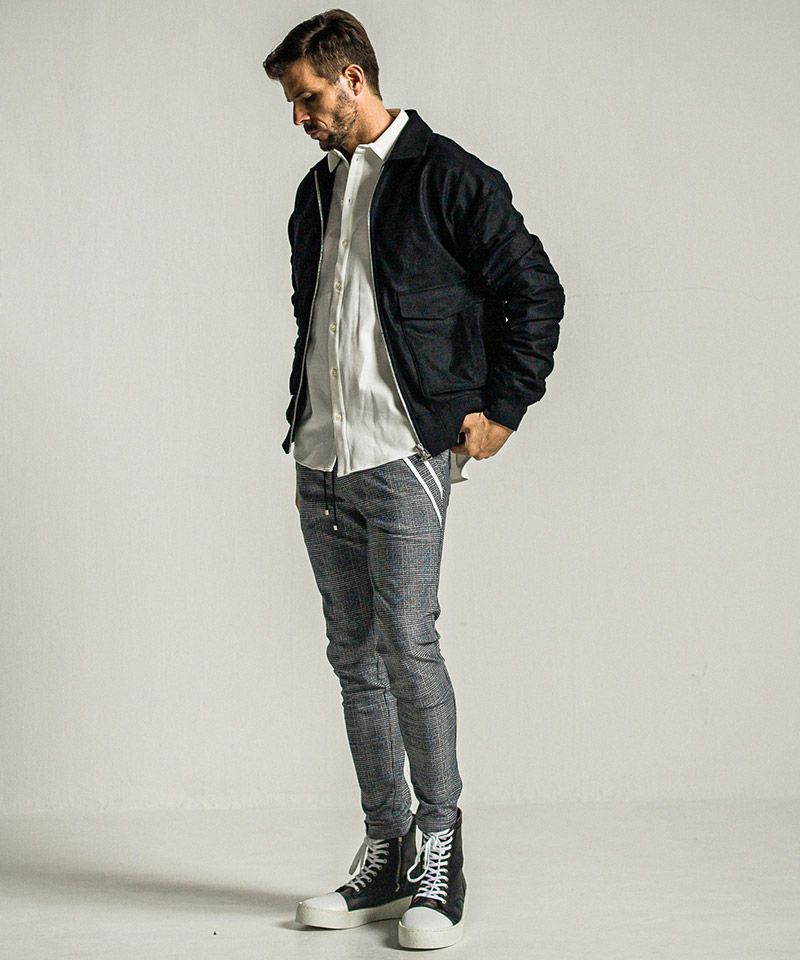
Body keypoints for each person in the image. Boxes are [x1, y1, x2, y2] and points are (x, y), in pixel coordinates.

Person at [262, 8, 565, 950]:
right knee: (353, 658)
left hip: (403, 455)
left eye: (308, 97)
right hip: (321, 456)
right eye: (293, 104)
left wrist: (503, 407)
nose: (300, 117)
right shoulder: (315, 193)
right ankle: (387, 849)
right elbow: (321, 317)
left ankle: (440, 848)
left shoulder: (450, 177)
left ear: (353, 78)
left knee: (407, 644)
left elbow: (534, 289)